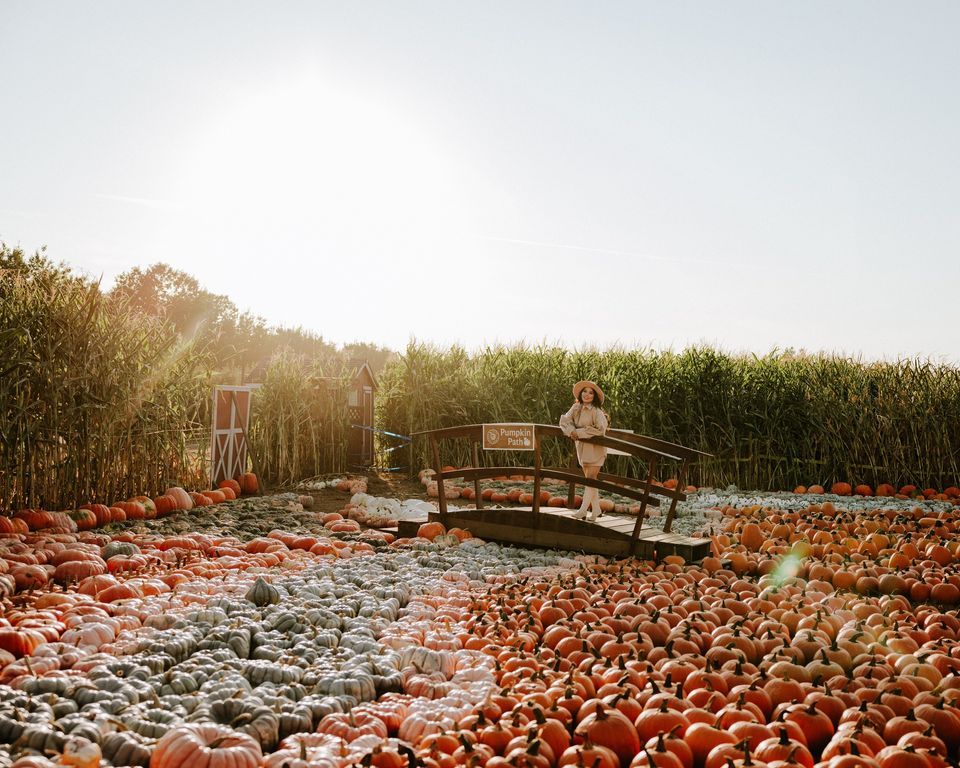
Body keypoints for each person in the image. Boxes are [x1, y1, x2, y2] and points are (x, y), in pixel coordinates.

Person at [559, 380, 608, 520]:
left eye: (591, 393)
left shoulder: (597, 411)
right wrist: (571, 431)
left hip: (595, 450)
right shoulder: (576, 407)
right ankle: (597, 510)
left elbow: (600, 429)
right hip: (582, 448)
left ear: (594, 397)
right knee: (590, 480)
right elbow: (564, 421)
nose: (587, 395)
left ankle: (583, 511)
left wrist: (579, 433)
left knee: (590, 480)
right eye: (584, 391)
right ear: (581, 394)